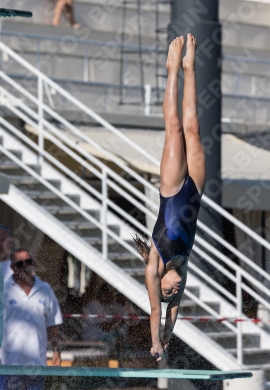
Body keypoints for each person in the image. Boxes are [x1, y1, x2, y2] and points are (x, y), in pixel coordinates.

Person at [133, 34, 206, 361]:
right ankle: (190, 67)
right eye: (171, 295)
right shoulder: (183, 269)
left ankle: (172, 68)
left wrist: (156, 342)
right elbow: (171, 313)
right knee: (193, 128)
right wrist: (169, 336)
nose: (171, 292)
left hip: (173, 188)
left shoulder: (155, 265)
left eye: (166, 292)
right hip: (195, 192)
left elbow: (155, 311)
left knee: (174, 126)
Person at [0, 248, 62, 390]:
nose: (25, 267)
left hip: (36, 360)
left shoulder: (45, 290)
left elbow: (53, 323)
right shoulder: (4, 290)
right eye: (20, 264)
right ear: (12, 267)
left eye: (29, 262)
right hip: (7, 361)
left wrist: (56, 350)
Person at [82, 283, 130, 350]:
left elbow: (123, 316)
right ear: (104, 294)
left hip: (106, 338)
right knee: (118, 342)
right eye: (111, 294)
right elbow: (105, 326)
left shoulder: (110, 306)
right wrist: (119, 321)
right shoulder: (93, 306)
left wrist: (122, 320)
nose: (114, 297)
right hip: (94, 339)